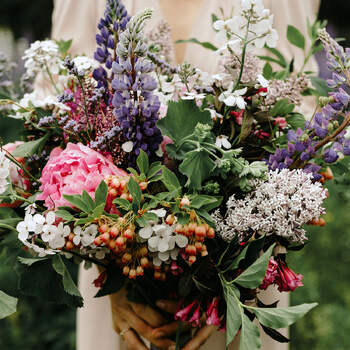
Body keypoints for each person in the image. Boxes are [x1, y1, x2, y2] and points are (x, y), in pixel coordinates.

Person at [50, 1, 321, 349]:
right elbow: (62, 117)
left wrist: (240, 277)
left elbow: (302, 127)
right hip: (120, 279)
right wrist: (114, 279)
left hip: (241, 278)